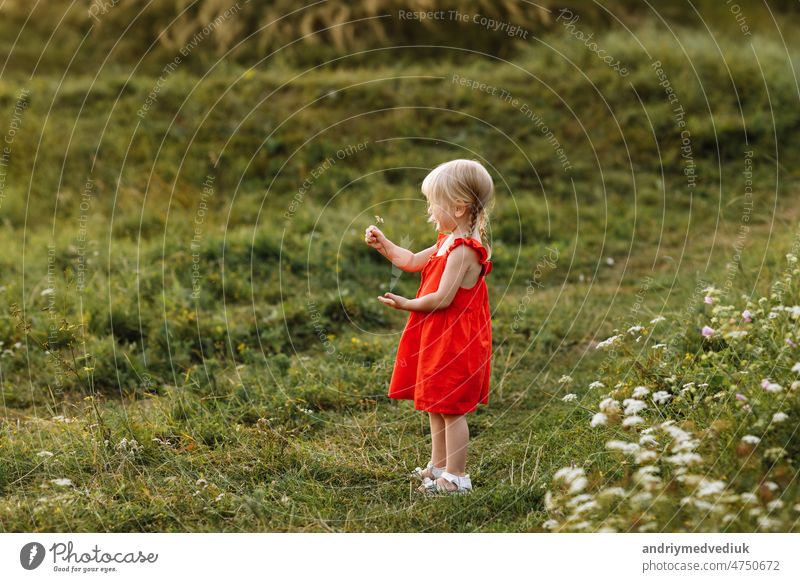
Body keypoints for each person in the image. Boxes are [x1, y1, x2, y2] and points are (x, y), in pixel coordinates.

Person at [364, 159, 494, 495]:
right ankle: (437, 467)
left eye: (433, 203)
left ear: (460, 207)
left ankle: (457, 477)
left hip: (455, 342)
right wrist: (385, 245)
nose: (430, 210)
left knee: (451, 409)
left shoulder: (465, 251)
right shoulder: (447, 241)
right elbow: (409, 260)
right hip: (439, 337)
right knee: (437, 404)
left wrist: (407, 304)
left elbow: (442, 299)